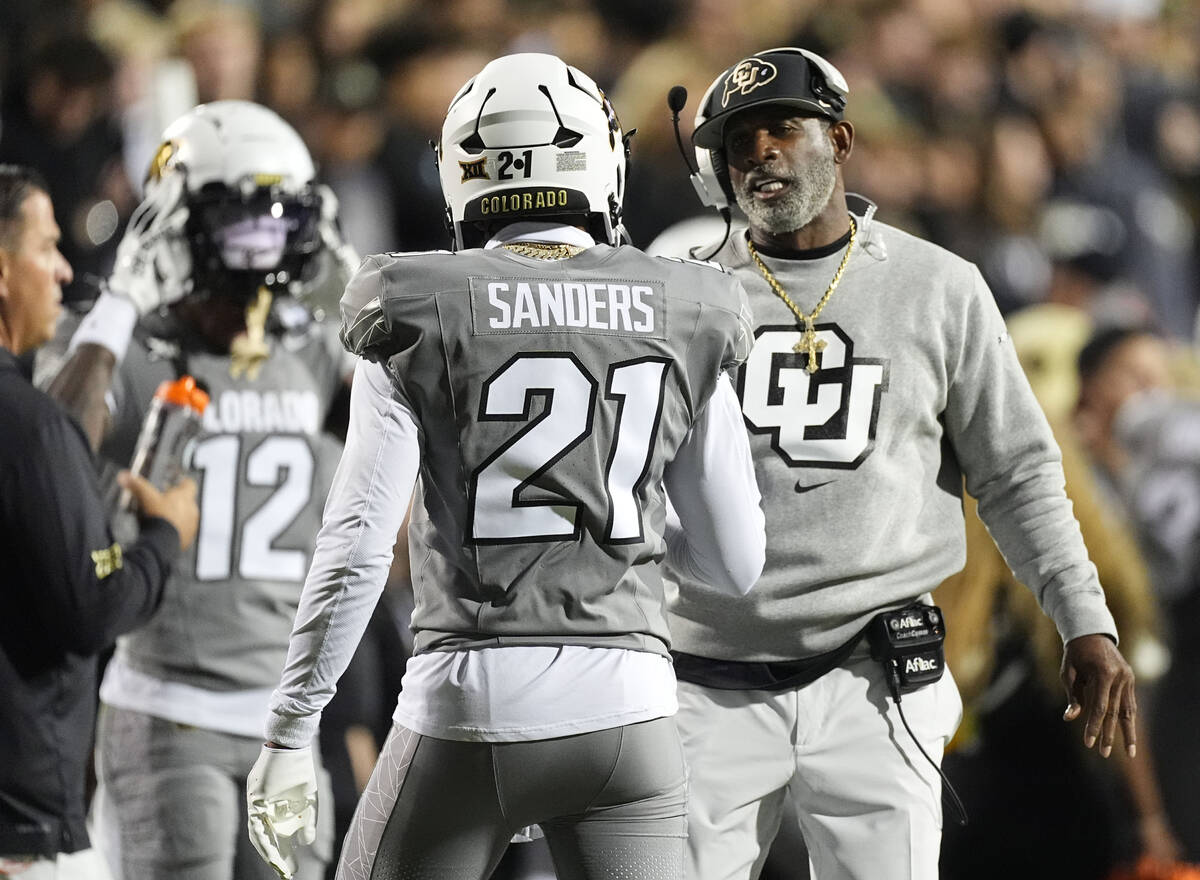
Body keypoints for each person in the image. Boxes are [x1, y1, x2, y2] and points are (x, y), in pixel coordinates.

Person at [245, 52, 765, 880]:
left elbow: (356, 547)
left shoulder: (416, 304)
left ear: (462, 173)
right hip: (629, 711)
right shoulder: (689, 304)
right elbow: (736, 566)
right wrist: (610, 517)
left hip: (470, 699)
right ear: (599, 161)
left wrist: (292, 725)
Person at [666, 47, 1136, 880]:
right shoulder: (682, 295)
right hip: (705, 680)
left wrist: (1083, 617)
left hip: (876, 675)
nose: (760, 153)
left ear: (841, 141)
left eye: (782, 127)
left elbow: (1017, 473)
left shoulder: (938, 285)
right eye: (738, 141)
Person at [45, 101, 358, 880]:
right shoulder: (134, 350)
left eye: (280, 220)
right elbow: (44, 449)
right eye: (239, 222)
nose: (262, 244)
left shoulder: (315, 350)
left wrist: (368, 310)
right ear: (178, 224)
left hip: (288, 721)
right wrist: (120, 301)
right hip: (171, 708)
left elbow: (421, 426)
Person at [0, 164, 198, 878]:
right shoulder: (33, 428)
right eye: (45, 247)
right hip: (21, 829)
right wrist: (161, 537)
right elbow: (90, 608)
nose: (60, 271)